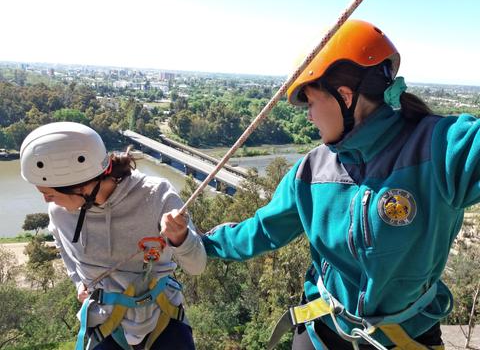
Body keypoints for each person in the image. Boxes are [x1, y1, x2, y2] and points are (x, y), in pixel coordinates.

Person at [194, 19, 477, 349]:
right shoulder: (313, 170)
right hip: (323, 330)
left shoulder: (439, 148)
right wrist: (198, 242)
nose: (309, 116)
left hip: (406, 336)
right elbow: (262, 230)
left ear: (345, 96)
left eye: (311, 102)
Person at [20, 122, 206, 350]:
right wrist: (79, 282)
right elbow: (62, 244)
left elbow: (197, 266)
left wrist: (181, 237)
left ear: (82, 188)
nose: (46, 201)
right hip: (104, 325)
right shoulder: (60, 212)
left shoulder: (157, 196)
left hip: (162, 318)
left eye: (49, 194)